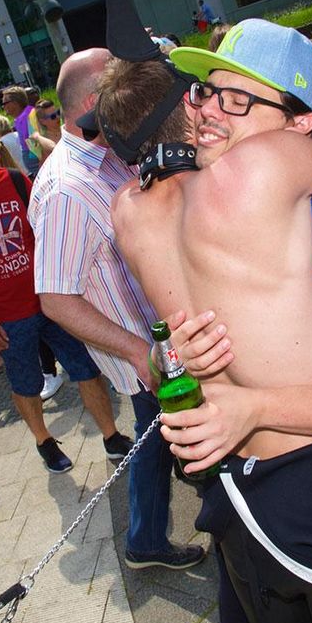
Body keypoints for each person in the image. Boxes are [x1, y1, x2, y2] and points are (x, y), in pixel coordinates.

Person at [99, 16, 312, 623]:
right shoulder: (262, 166)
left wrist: (163, 360)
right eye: (201, 94)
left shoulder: (126, 214)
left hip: (230, 493)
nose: (211, 107)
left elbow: (166, 347)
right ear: (186, 107)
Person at [31, 48, 205, 571]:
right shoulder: (65, 188)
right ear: (94, 103)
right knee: (156, 439)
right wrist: (136, 350)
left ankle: (149, 534)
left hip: (157, 346)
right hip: (146, 355)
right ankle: (148, 539)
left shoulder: (104, 152)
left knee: (158, 441)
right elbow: (54, 297)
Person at [0, 126, 134, 473]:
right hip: (6, 317)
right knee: (26, 383)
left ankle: (111, 435)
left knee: (86, 369)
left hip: (50, 301)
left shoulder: (14, 182)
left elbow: (46, 231)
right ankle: (44, 440)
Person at [0, 86, 42, 177]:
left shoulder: (29, 116)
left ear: (15, 102)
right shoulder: (19, 119)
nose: (3, 106)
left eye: (5, 103)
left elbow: (36, 146)